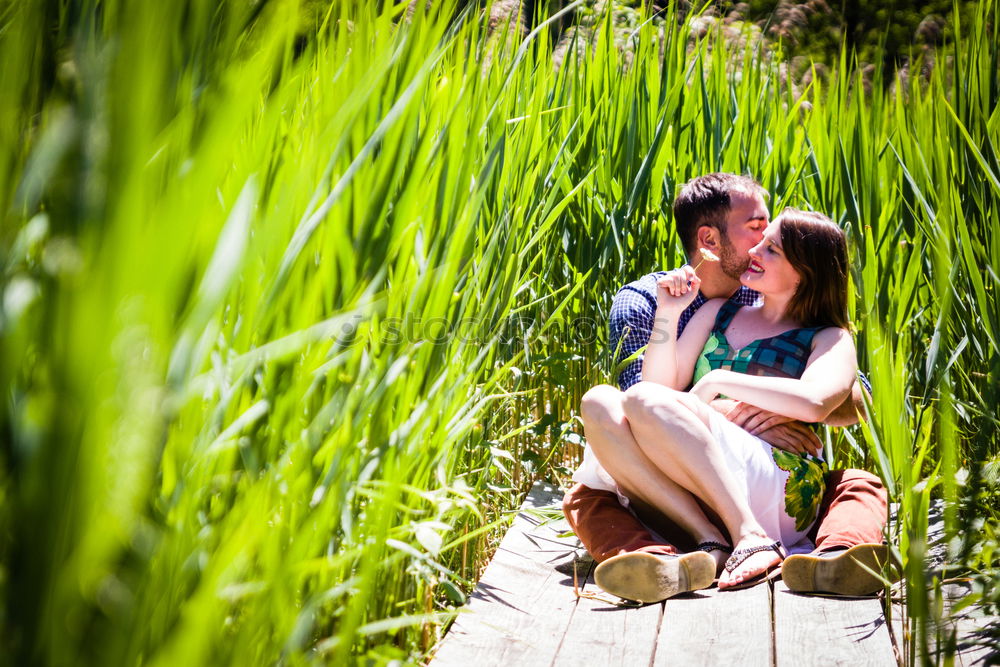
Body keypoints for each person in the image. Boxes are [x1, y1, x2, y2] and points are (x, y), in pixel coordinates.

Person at [564, 174, 889, 601]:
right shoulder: (713, 309)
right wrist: (668, 312)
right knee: (600, 402)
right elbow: (649, 393)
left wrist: (716, 384)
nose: (756, 250)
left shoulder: (826, 336)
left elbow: (824, 401)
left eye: (770, 245)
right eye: (756, 233)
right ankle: (711, 542)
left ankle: (754, 536)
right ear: (708, 239)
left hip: (774, 475)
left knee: (856, 481)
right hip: (701, 465)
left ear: (804, 271)